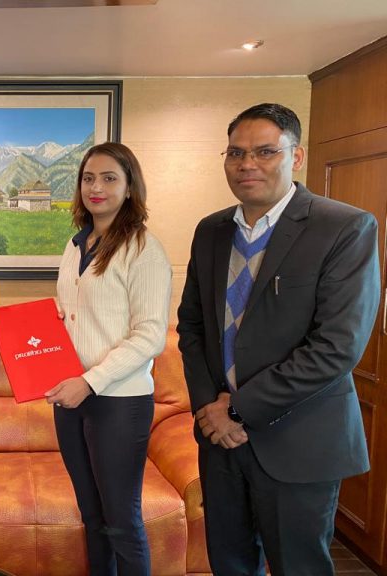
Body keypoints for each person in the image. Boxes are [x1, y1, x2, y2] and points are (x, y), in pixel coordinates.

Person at [177, 103, 380, 576]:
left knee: (299, 566)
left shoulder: (344, 227)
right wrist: (210, 409)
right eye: (235, 153)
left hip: (298, 438)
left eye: (265, 151)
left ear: (297, 156)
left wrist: (236, 409)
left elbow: (336, 348)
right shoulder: (211, 231)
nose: (247, 164)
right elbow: (192, 327)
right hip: (221, 442)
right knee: (228, 563)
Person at [45, 142, 172, 575]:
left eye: (109, 178)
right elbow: (78, 313)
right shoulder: (76, 243)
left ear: (130, 187)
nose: (95, 187)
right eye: (88, 178)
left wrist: (89, 381)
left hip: (118, 401)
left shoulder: (143, 249)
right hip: (70, 396)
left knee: (120, 520)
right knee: (91, 515)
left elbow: (150, 336)